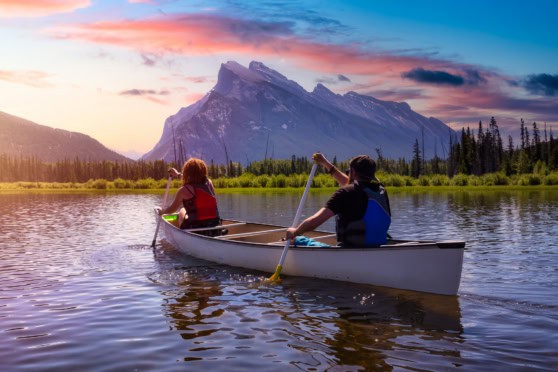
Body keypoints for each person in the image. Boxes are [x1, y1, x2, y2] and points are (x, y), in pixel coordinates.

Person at [286, 153, 391, 247]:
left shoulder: (345, 192)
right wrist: (324, 163)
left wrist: (295, 232)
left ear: (353, 172)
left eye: (349, 171)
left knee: (298, 240)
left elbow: (314, 222)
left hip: (350, 249)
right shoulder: (381, 191)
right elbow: (350, 184)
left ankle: (296, 240)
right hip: (379, 245)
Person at [157, 158, 221, 230]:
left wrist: (162, 212)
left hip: (195, 228)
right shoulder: (209, 183)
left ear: (187, 172)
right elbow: (196, 180)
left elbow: (172, 210)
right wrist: (177, 174)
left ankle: (181, 232)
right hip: (214, 225)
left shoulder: (183, 190)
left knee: (182, 210)